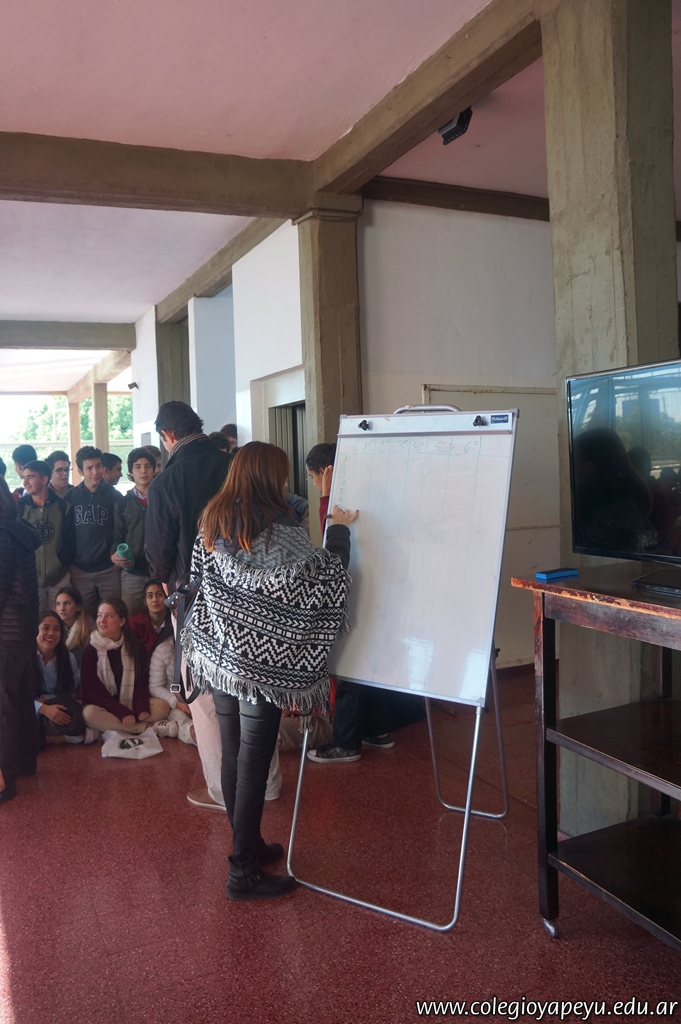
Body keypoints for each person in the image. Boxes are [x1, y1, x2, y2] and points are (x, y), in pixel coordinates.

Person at [184, 441, 357, 900]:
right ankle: (243, 871)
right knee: (254, 762)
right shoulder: (282, 531)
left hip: (221, 657)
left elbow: (201, 580)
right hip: (263, 667)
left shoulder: (212, 521)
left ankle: (249, 844)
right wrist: (339, 532)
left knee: (234, 753)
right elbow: (323, 576)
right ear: (270, 478)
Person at [145, 401, 232, 811]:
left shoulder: (166, 481)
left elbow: (158, 552)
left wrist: (166, 581)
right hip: (245, 596)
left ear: (167, 436)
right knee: (250, 691)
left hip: (193, 599)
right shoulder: (235, 465)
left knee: (204, 696)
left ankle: (222, 790)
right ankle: (266, 783)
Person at [305, 441, 395, 762]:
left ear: (325, 472)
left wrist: (327, 494)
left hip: (355, 592)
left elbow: (331, 543)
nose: (314, 484)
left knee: (350, 667)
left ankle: (346, 743)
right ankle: (377, 731)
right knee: (370, 664)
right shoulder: (374, 490)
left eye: (314, 478)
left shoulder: (338, 501)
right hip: (379, 590)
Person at [0, 476, 40, 803]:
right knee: (19, 696)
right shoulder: (16, 527)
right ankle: (24, 761)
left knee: (3, 704)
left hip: (6, 630)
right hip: (21, 628)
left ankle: (3, 780)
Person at [81, 599, 169, 736]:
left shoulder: (135, 647)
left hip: (131, 703)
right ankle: (146, 727)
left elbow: (142, 682)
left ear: (122, 621)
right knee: (89, 714)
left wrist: (141, 706)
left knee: (163, 707)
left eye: (109, 616)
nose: (102, 620)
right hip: (106, 707)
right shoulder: (90, 650)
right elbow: (91, 692)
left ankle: (109, 729)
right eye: (99, 615)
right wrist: (120, 711)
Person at [66, 446, 121, 618]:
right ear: (80, 471)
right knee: (85, 618)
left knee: (111, 615)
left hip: (108, 569)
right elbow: (66, 533)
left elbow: (120, 530)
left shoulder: (115, 496)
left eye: (98, 466)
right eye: (89, 468)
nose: (95, 472)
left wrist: (114, 552)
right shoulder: (70, 497)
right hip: (80, 569)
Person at [19, 460, 75, 614]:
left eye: (30, 477)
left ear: (44, 480)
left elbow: (70, 542)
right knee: (33, 622)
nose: (25, 482)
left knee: (62, 621)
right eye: (24, 477)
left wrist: (59, 563)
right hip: (30, 580)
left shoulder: (64, 507)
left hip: (59, 578)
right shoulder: (19, 508)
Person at [34, 611, 91, 744]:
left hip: (57, 705)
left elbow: (69, 694)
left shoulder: (68, 658)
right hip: (30, 708)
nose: (51, 633)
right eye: (45, 628)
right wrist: (43, 708)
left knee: (79, 716)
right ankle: (56, 739)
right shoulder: (23, 657)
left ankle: (42, 737)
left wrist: (46, 701)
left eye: (56, 629)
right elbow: (16, 698)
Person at [111, 448, 156, 615]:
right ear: (130, 471)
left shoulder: (163, 500)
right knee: (130, 616)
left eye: (148, 466)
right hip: (132, 572)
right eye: (138, 467)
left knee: (162, 618)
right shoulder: (122, 504)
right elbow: (117, 535)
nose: (143, 471)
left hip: (159, 571)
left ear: (154, 470)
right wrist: (113, 553)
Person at [148, 636, 196, 743]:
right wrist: (176, 702)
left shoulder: (202, 645)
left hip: (197, 699)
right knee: (180, 718)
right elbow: (155, 687)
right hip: (172, 701)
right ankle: (193, 734)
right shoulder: (163, 650)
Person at [129, 579, 174, 653]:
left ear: (166, 597)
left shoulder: (174, 621)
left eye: (159, 595)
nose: (154, 600)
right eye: (150, 596)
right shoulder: (135, 623)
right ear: (145, 601)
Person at [54, 585, 93, 665]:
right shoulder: (50, 627)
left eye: (67, 603)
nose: (62, 608)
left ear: (78, 607)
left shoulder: (90, 629)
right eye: (58, 604)